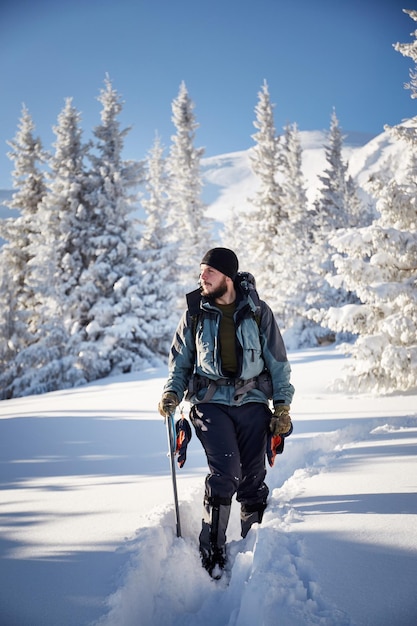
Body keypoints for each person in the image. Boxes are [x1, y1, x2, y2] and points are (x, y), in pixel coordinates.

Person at [158, 247, 294, 578]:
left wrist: (283, 406)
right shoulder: (194, 314)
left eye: (209, 272)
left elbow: (277, 363)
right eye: (201, 271)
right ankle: (212, 548)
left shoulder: (258, 312)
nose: (202, 277)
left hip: (252, 403)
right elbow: (181, 362)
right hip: (210, 403)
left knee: (251, 480)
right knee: (224, 474)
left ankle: (255, 546)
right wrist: (172, 392)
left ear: (227, 277)